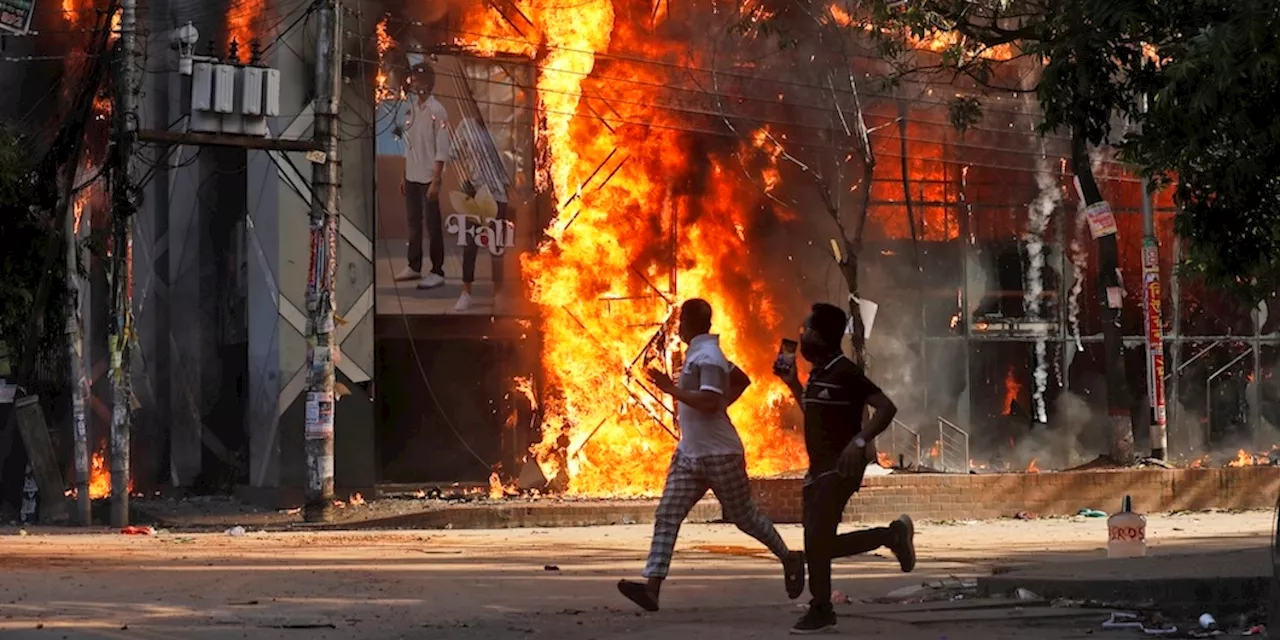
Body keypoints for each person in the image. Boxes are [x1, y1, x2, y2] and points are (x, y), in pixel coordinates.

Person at [618, 298, 806, 612]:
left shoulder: (707, 357)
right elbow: (741, 380)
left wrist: (670, 388)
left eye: (680, 322)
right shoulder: (703, 352)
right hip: (690, 454)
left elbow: (706, 402)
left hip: (720, 455)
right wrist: (721, 405)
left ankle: (790, 558)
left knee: (745, 517)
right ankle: (652, 588)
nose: (678, 327)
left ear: (689, 324)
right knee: (667, 515)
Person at [776, 302, 916, 635]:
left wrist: (858, 442)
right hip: (817, 468)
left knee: (816, 540)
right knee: (819, 546)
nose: (802, 334)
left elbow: (886, 407)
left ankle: (821, 608)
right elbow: (813, 412)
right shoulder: (820, 374)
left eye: (808, 329)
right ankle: (891, 535)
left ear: (823, 336)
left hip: (840, 468)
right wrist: (794, 384)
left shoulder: (845, 372)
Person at [394, 63, 452, 291]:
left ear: (427, 83)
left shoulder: (438, 111)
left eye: (416, 80)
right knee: (413, 223)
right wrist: (403, 175)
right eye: (412, 80)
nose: (412, 83)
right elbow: (410, 147)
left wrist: (436, 181)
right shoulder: (412, 110)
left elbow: (442, 148)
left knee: (432, 225)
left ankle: (437, 271)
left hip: (429, 178)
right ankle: (413, 265)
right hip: (412, 175)